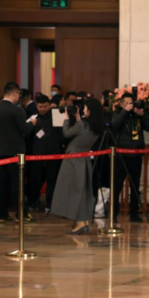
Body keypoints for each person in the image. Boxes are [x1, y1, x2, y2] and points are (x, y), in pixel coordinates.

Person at [52, 98, 104, 234]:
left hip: (72, 159)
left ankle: (80, 222)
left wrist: (66, 119)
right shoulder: (97, 126)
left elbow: (66, 133)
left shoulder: (82, 125)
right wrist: (77, 117)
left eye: (85, 108)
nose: (83, 110)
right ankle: (84, 220)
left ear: (90, 110)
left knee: (74, 191)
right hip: (84, 159)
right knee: (83, 190)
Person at [0, 82, 36, 224]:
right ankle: (21, 214)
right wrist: (32, 123)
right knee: (17, 184)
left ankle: (2, 214)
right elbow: (25, 129)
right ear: (14, 93)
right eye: (18, 94)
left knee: (2, 183)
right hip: (14, 151)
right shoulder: (15, 110)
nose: (19, 97)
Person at [111, 92, 149, 222]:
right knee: (117, 186)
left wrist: (142, 114)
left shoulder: (138, 115)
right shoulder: (119, 114)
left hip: (136, 155)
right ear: (122, 104)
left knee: (135, 186)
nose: (131, 105)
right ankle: (113, 214)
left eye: (132, 102)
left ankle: (134, 214)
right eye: (128, 103)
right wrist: (125, 111)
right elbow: (114, 125)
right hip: (121, 156)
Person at [28, 95, 63, 215]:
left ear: (49, 105)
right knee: (35, 180)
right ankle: (33, 202)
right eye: (40, 106)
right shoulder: (33, 117)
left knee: (52, 180)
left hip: (54, 155)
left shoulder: (57, 115)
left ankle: (50, 204)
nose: (42, 109)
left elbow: (63, 134)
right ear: (36, 106)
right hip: (37, 155)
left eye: (45, 106)